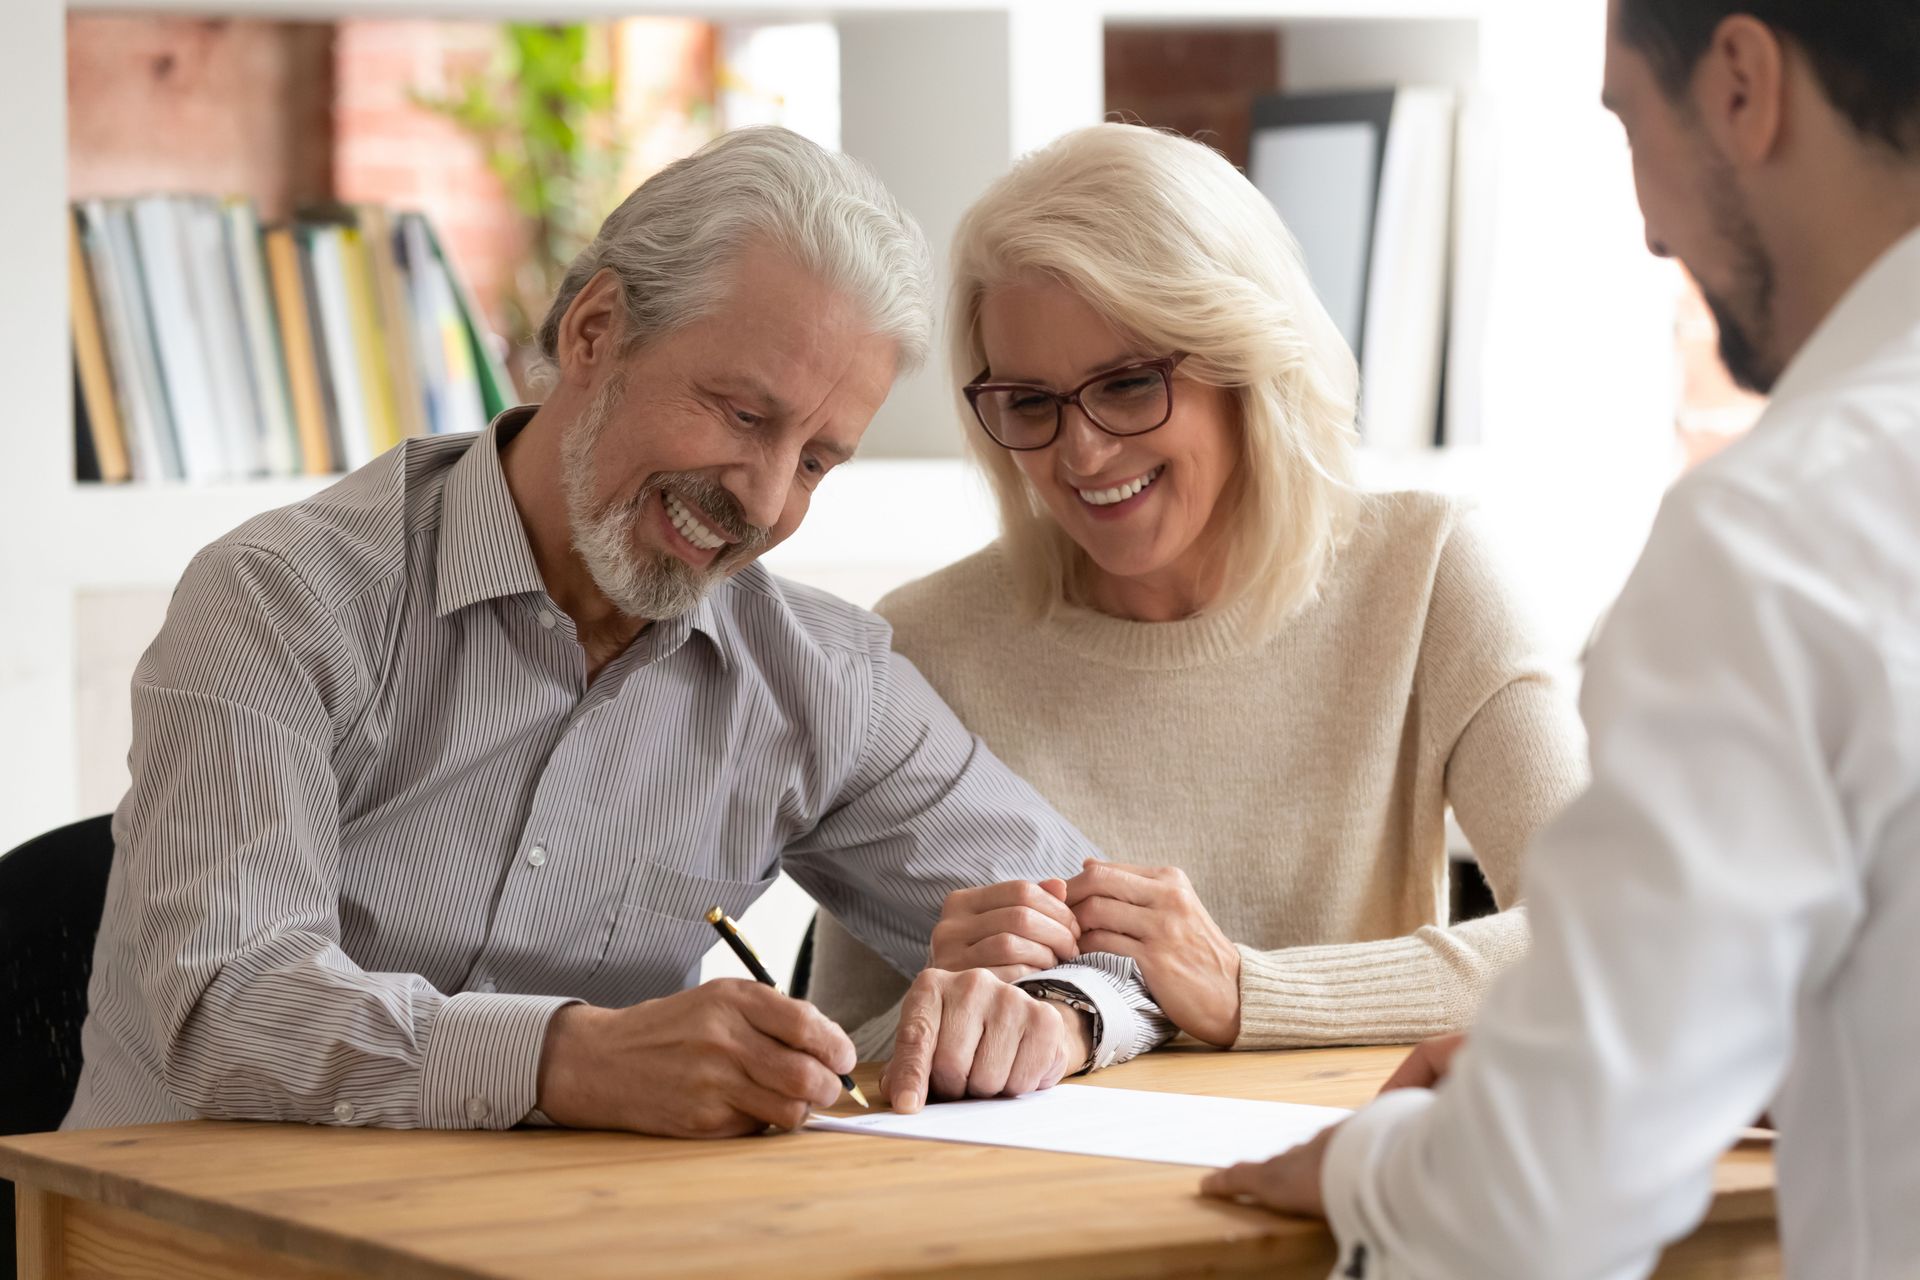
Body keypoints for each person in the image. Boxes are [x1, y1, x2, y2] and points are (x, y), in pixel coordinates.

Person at [64, 126, 1175, 1140]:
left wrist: (1057, 1012)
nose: (764, 495)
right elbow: (225, 1007)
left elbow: (1115, 938)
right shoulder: (277, 601)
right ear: (595, 329)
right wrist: (567, 1056)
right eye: (743, 413)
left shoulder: (819, 680)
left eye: (819, 458)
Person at [1201, 2, 1920, 1275]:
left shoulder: (1779, 538)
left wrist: (1382, 1161)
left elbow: (1543, 1205)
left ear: (1744, 85)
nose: (1649, 228)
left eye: (1631, 125)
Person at [808, 123, 1587, 1051]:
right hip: (1035, 1189)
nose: (1082, 452)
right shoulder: (925, 643)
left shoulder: (1428, 573)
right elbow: (841, 1061)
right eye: (1030, 403)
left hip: (1337, 1170)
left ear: (1245, 366)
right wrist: (940, 1003)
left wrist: (1249, 991)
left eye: (1130, 384)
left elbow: (1606, 931)